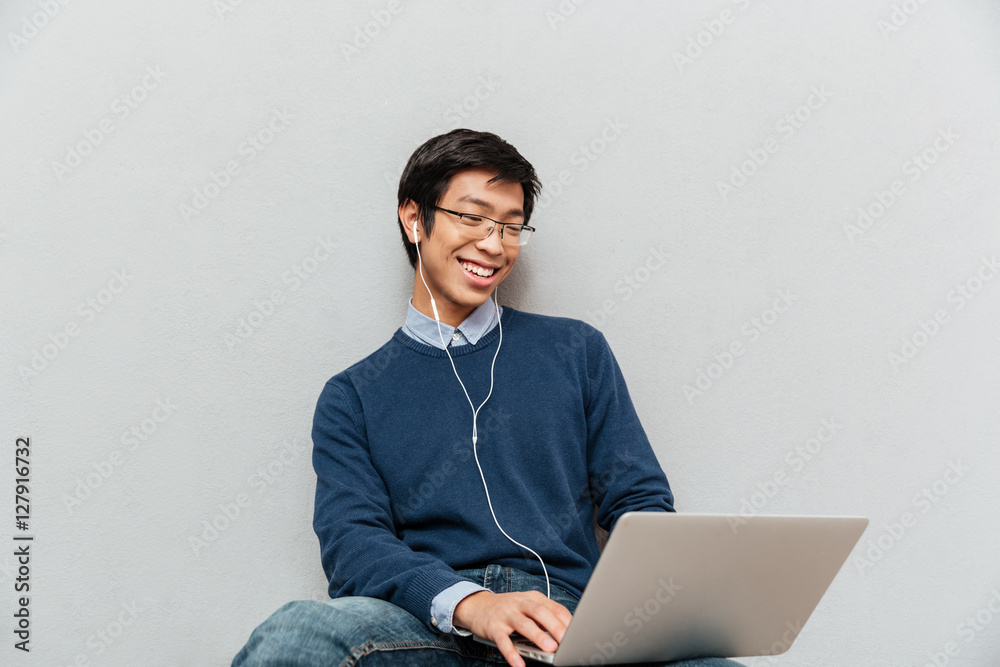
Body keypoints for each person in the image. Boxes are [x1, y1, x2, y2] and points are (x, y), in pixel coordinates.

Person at [232, 129, 744, 667]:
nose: (494, 244)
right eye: (472, 217)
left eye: (511, 226)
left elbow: (639, 502)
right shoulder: (352, 396)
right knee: (297, 633)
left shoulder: (576, 350)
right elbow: (354, 546)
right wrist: (472, 605)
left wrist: (643, 612)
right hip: (433, 630)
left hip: (565, 626)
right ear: (414, 218)